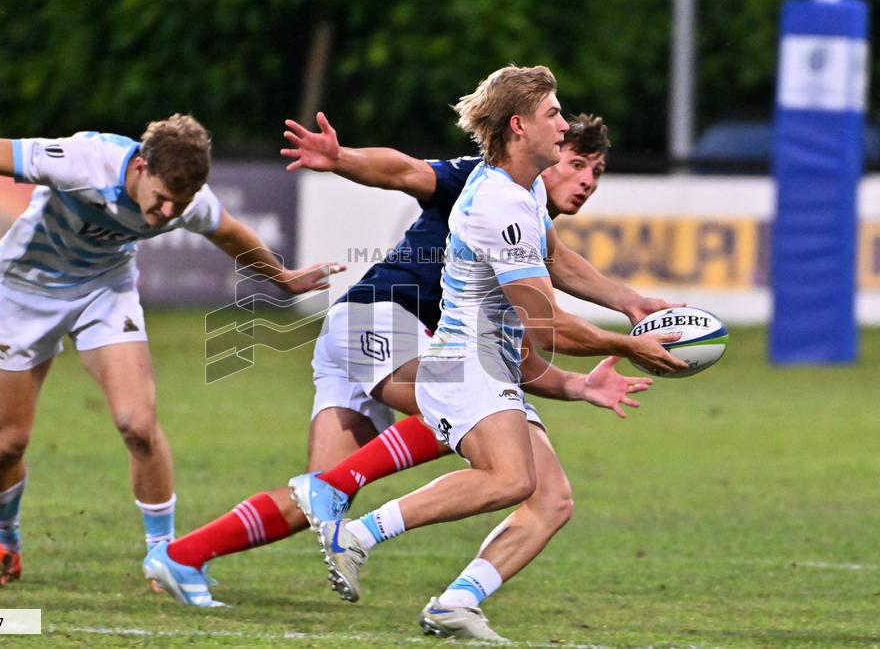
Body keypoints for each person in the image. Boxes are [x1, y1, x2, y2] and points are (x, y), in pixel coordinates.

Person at [142, 98, 682, 607]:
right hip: (380, 319)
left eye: (597, 172)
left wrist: (620, 319)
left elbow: (547, 297)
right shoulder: (487, 182)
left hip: (391, 346)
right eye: (578, 163)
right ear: (541, 149)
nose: (587, 181)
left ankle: (181, 557)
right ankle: (336, 491)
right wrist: (341, 158)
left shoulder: (527, 224)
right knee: (462, 410)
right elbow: (404, 171)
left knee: (317, 503)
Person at [0, 116, 343, 587]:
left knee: (138, 425)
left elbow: (229, 233)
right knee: (8, 444)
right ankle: (5, 545)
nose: (165, 213)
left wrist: (282, 279)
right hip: (27, 292)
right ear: (140, 167)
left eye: (176, 206)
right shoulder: (82, 162)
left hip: (104, 291)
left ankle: (165, 558)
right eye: (160, 198)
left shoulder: (188, 203)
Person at [312, 65, 686, 641]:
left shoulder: (527, 189)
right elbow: (546, 324)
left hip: (494, 363)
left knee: (552, 499)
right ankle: (353, 530)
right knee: (510, 478)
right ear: (518, 126)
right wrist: (627, 343)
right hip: (464, 362)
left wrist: (625, 310)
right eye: (553, 114)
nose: (564, 124)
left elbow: (556, 266)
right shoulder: (495, 204)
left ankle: (457, 602)